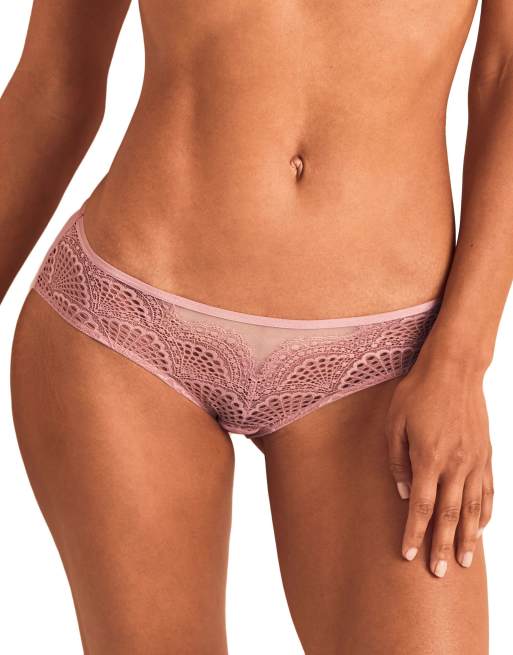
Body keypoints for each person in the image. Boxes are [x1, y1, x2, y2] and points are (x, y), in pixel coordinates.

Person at [1, 1, 511, 653]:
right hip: (127, 328)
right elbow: (53, 86)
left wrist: (461, 361)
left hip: (387, 362)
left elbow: (504, 73)